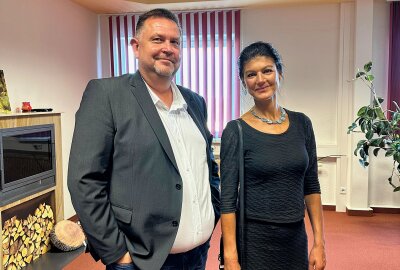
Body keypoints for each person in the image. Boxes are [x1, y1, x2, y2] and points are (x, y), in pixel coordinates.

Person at [67, 8, 220, 270]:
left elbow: (207, 165)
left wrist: (213, 208)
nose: (168, 48)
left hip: (198, 254)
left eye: (175, 42)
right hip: (141, 260)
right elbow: (84, 181)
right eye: (158, 39)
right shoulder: (107, 95)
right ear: (136, 47)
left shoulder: (195, 102)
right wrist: (117, 253)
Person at [220, 41, 326, 270]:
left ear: (279, 72)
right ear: (243, 82)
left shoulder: (302, 124)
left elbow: (311, 185)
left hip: (295, 238)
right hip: (255, 241)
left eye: (267, 70)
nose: (260, 80)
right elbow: (227, 199)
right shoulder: (235, 131)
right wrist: (230, 258)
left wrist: (319, 242)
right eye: (251, 74)